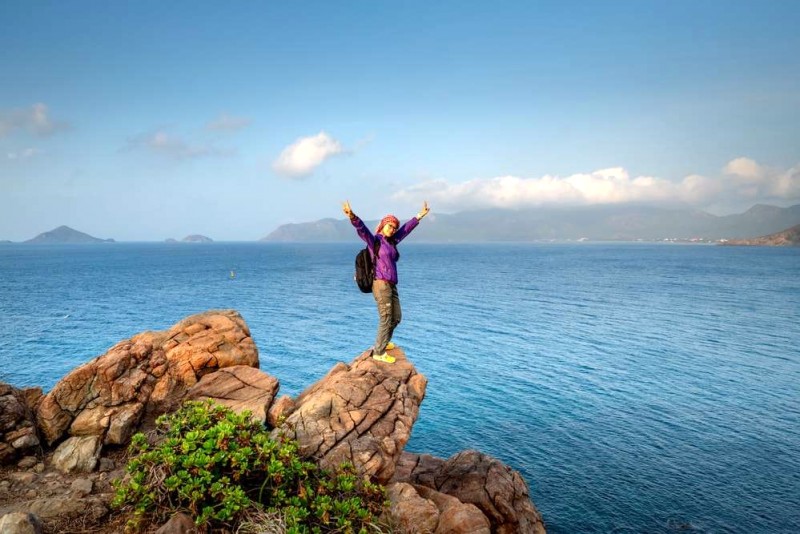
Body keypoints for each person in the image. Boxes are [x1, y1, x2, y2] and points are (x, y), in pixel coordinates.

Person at [343, 200, 430, 363]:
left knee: (396, 317)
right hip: (380, 284)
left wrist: (419, 216)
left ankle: (384, 341)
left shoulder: (392, 241)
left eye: (394, 227)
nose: (392, 229)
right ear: (383, 225)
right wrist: (352, 216)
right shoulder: (374, 241)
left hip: (392, 284)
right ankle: (379, 351)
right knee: (386, 317)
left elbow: (405, 230)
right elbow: (362, 230)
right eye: (389, 226)